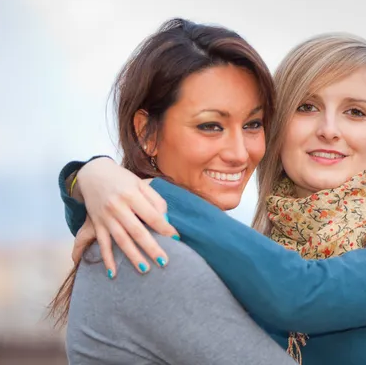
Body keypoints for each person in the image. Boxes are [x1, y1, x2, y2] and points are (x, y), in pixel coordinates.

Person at [60, 30, 366, 364]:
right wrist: (88, 182)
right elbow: (129, 239)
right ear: (279, 128)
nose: (329, 129)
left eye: (356, 112)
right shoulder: (259, 252)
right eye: (307, 107)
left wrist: (143, 188)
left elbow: (302, 294)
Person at [49, 18, 296, 365]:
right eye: (211, 126)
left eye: (253, 124)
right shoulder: (149, 254)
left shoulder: (180, 239)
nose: (240, 153)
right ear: (147, 132)